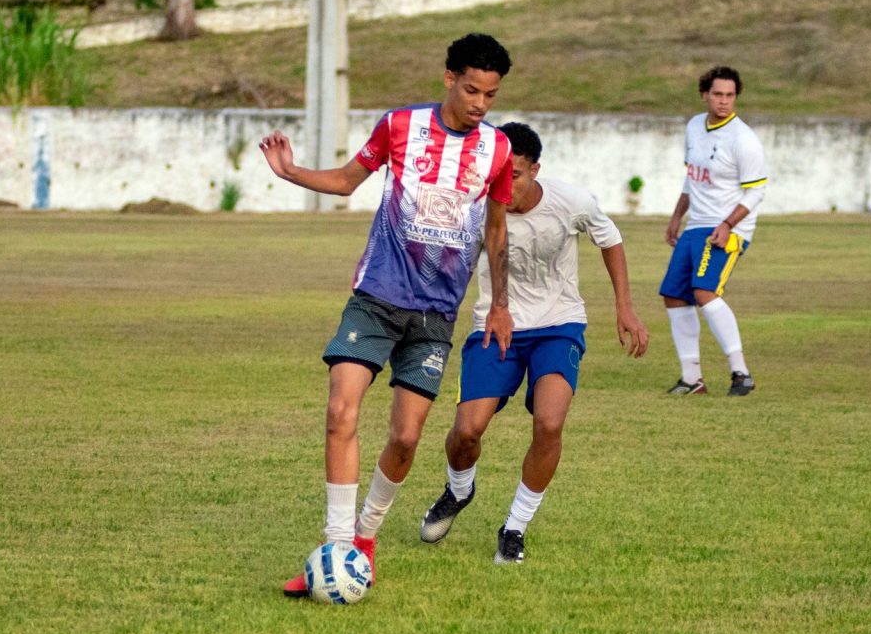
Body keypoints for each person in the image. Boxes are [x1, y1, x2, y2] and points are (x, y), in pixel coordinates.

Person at [258, 33, 515, 596]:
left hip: (435, 316)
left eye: (491, 95)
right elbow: (349, 181)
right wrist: (292, 172)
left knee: (404, 440)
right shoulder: (400, 125)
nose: (479, 103)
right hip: (375, 296)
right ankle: (336, 547)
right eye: (471, 89)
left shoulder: (496, 150)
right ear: (448, 78)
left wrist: (499, 303)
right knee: (340, 412)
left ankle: (365, 537)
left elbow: (496, 230)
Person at [418, 122, 649, 564]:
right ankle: (459, 490)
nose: (504, 186)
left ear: (536, 170)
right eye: (498, 174)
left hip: (558, 323)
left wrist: (625, 305)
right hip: (494, 324)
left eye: (516, 176)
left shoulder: (571, 201)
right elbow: (458, 265)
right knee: (467, 430)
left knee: (549, 422)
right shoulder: (478, 206)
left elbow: (611, 239)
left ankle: (514, 527)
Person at [659, 65, 767, 396]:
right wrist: (677, 216)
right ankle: (692, 379)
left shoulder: (743, 139)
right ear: (705, 95)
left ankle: (741, 374)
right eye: (717, 94)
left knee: (705, 291)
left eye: (730, 95)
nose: (723, 101)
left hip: (728, 228)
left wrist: (727, 224)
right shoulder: (694, 126)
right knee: (675, 295)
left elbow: (757, 191)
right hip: (696, 225)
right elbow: (692, 177)